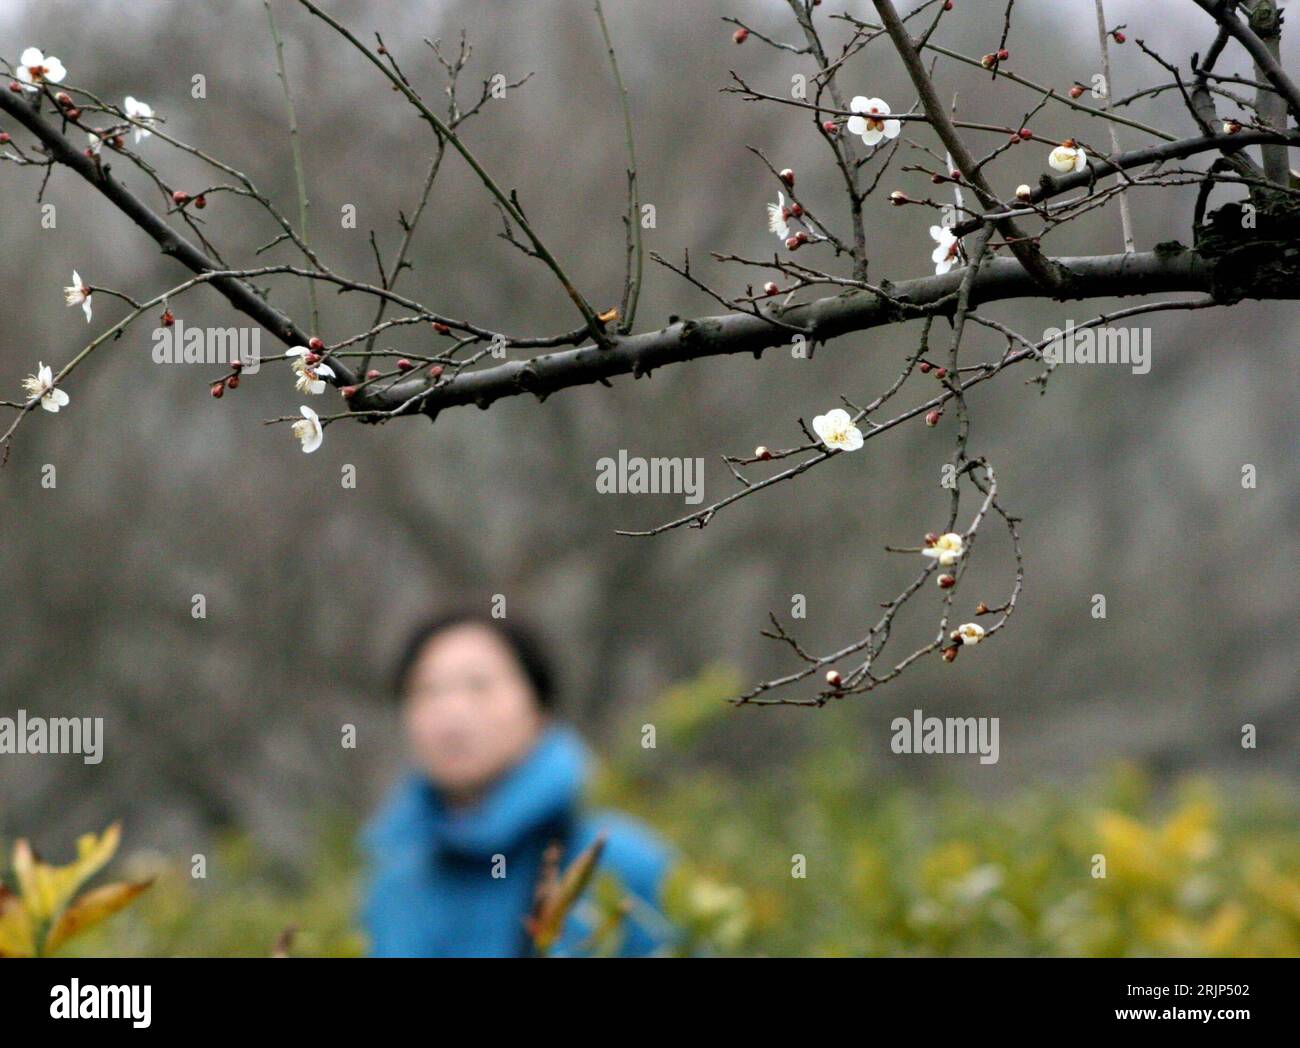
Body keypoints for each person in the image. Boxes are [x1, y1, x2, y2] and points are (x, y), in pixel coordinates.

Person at [363, 610, 675, 956]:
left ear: (538, 708)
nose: (450, 712)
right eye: (427, 690)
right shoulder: (393, 885)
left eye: (478, 686)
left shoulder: (621, 863)